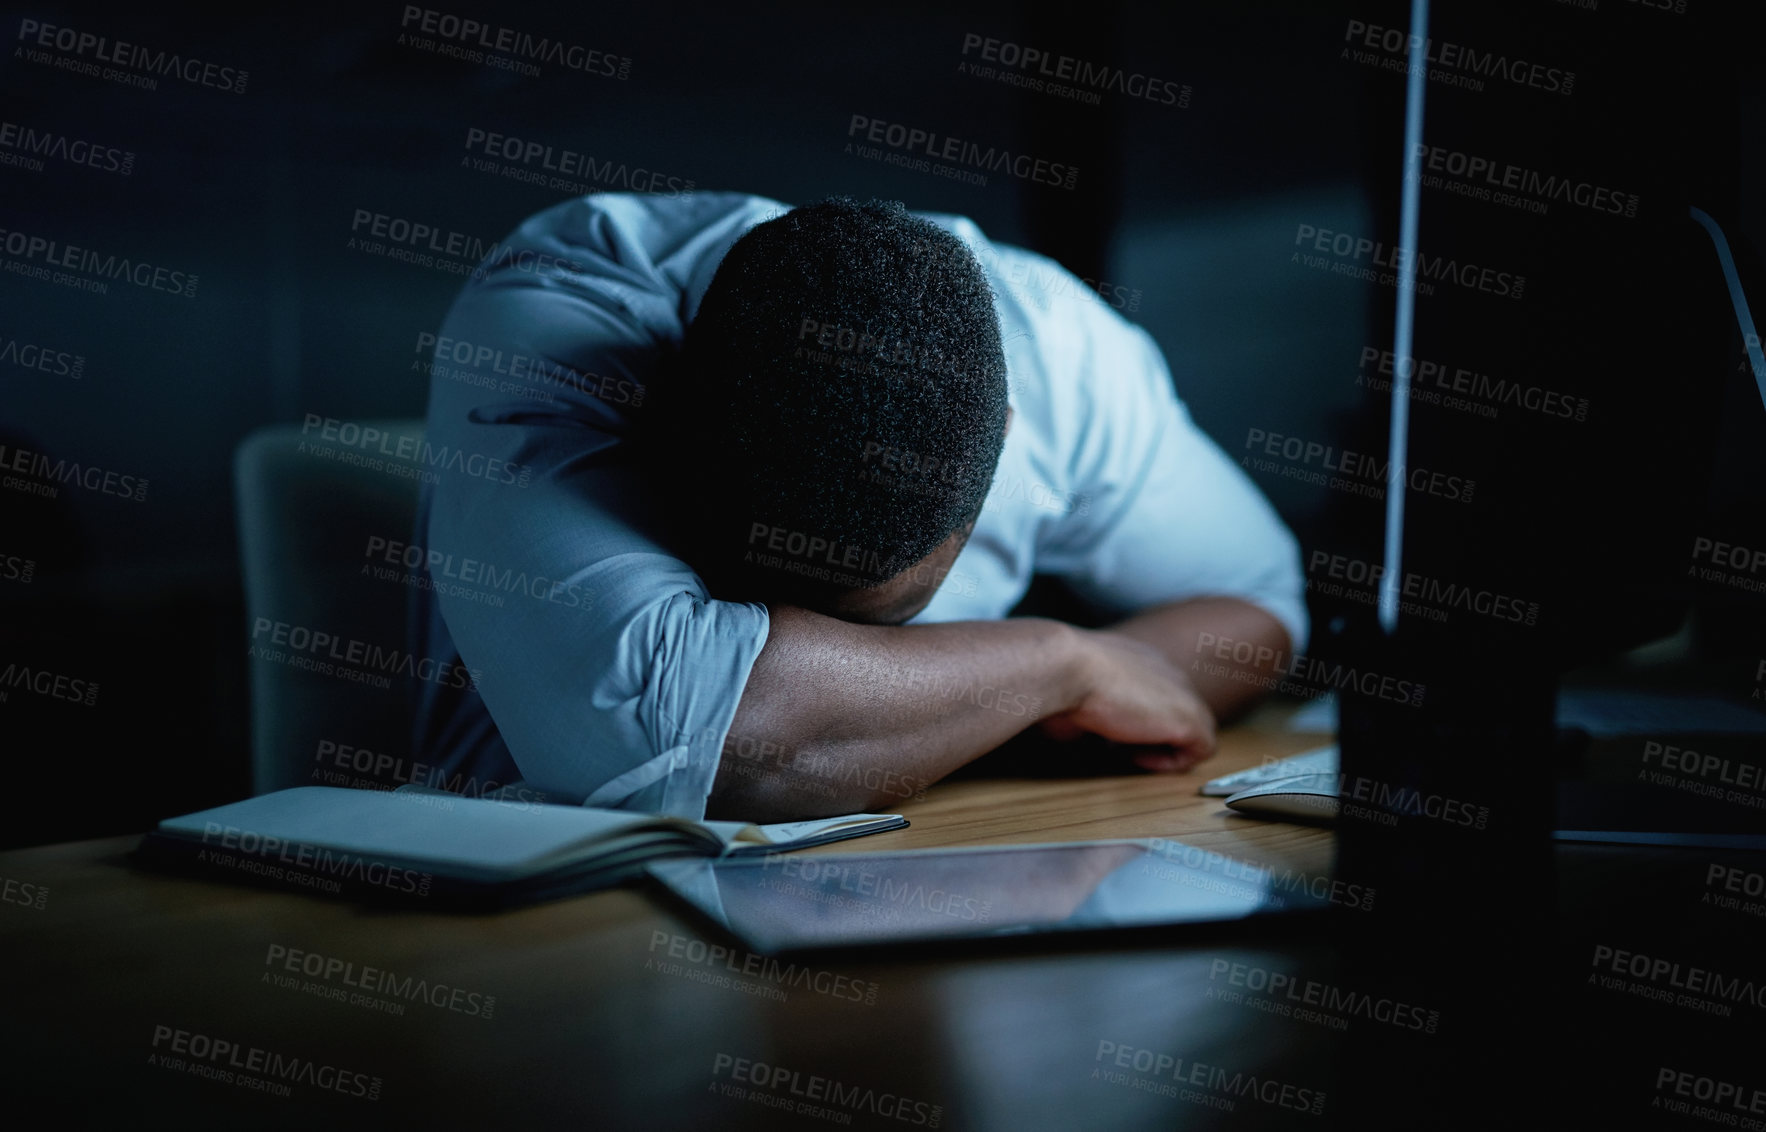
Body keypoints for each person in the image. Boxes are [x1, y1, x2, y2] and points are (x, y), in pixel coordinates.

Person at [409, 193, 1305, 822]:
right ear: (665, 412)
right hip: (531, 908)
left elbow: (1258, 607)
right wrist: (1062, 666)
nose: (821, 648)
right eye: (762, 619)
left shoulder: (1068, 358)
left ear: (1006, 446)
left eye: (879, 626)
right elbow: (670, 744)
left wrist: (886, 711)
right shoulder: (571, 298)